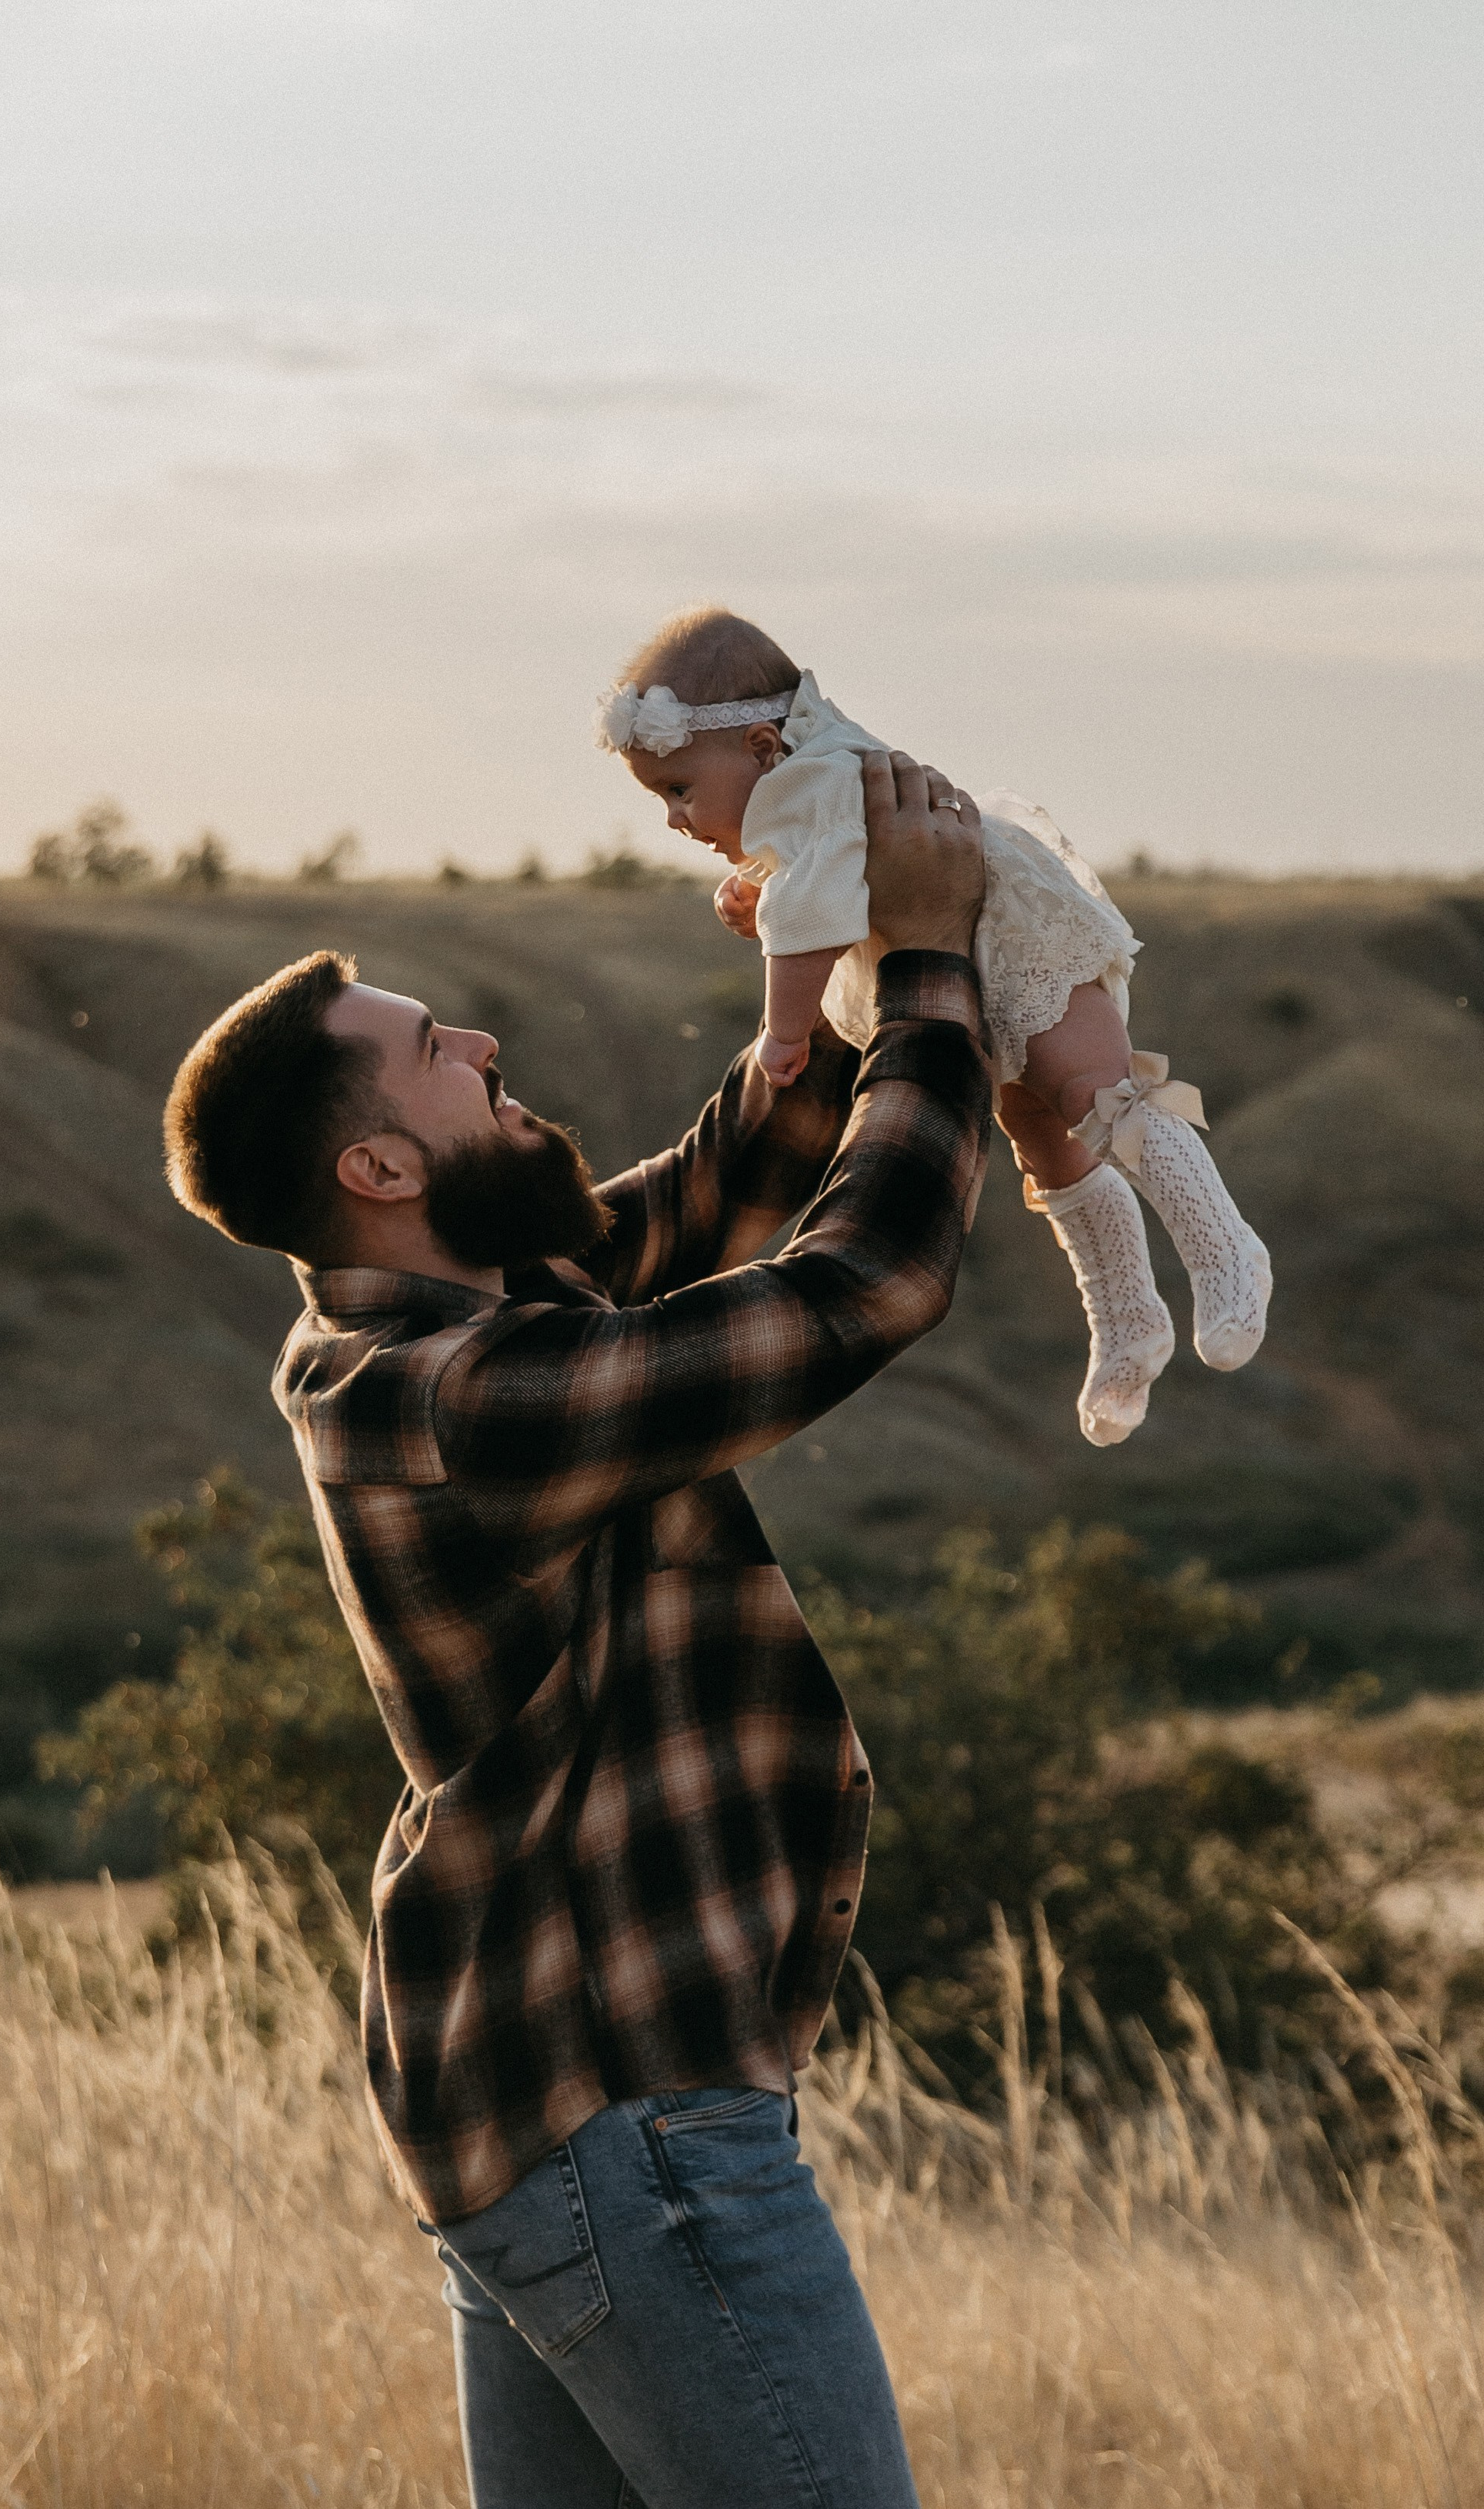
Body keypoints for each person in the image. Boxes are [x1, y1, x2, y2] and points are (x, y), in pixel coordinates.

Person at [161, 751, 987, 2509]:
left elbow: (696, 1199)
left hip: (547, 2112)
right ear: (380, 1159)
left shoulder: (448, 1313)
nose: (479, 1042)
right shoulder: (452, 1397)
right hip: (633, 2117)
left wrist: (815, 992)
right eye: (432, 1047)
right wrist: (929, 970)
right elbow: (864, 1284)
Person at [597, 606, 1272, 1447]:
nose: (673, 818)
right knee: (1045, 1142)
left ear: (763, 748)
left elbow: (808, 926)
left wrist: (783, 1031)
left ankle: (1224, 1249)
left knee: (1099, 1096)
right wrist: (760, 892)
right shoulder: (805, 780)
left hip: (1013, 942)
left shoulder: (810, 784)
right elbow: (824, 882)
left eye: (678, 789)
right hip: (966, 958)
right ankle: (1128, 1317)